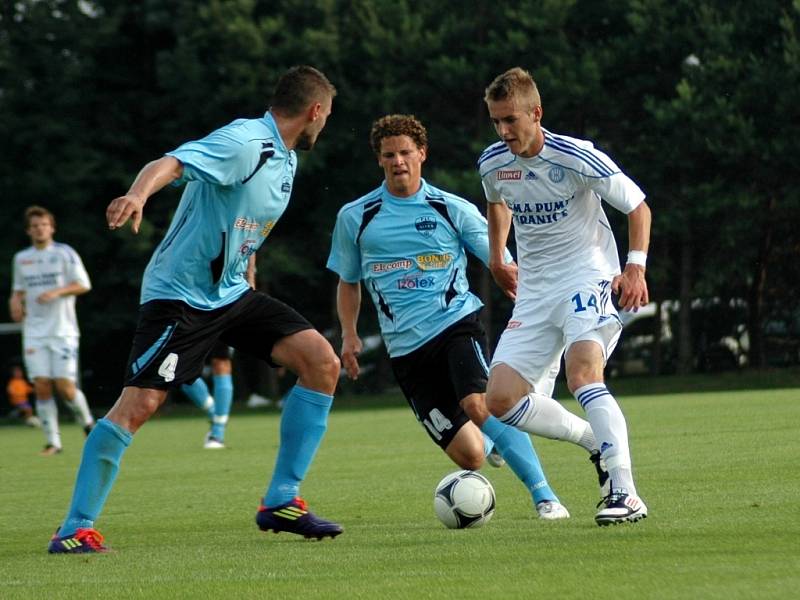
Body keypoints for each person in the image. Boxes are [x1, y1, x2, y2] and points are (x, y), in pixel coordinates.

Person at [47, 65, 342, 554]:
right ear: (314, 111)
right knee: (138, 406)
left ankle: (281, 500)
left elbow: (243, 220)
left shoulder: (287, 160)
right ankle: (75, 528)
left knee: (321, 363)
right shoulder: (246, 141)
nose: (325, 125)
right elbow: (173, 162)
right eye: (327, 116)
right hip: (179, 297)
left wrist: (246, 264)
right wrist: (137, 194)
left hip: (231, 294)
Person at [327, 114, 607, 521]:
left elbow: (500, 260)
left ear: (421, 154)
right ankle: (498, 444)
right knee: (471, 455)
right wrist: (349, 335)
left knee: (480, 404)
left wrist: (523, 287)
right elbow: (348, 282)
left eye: (406, 152)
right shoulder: (355, 217)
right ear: (380, 160)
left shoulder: (449, 208)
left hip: (455, 324)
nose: (398, 161)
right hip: (404, 349)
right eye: (389, 155)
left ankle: (545, 497)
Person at [478, 67, 652, 525]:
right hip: (535, 290)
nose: (503, 131)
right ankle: (594, 441)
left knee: (581, 374)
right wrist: (499, 255)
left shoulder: (575, 157)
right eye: (496, 122)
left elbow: (637, 205)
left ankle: (626, 491)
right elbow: (497, 200)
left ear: (536, 113)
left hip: (587, 277)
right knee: (500, 399)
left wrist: (635, 266)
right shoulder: (493, 162)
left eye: (511, 120)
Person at [9, 206, 95, 455]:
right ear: (28, 230)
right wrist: (15, 302)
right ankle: (53, 442)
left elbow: (83, 284)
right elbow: (18, 290)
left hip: (63, 330)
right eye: (34, 226)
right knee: (42, 385)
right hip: (35, 331)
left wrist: (56, 292)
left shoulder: (64, 254)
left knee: (65, 387)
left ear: (52, 227)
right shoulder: (21, 259)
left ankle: (88, 423)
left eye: (43, 224)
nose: (39, 229)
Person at [179, 255, 256, 449]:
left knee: (221, 363)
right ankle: (216, 414)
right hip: (192, 299)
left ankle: (217, 433)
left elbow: (251, 243)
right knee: (178, 369)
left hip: (228, 298)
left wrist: (251, 280)